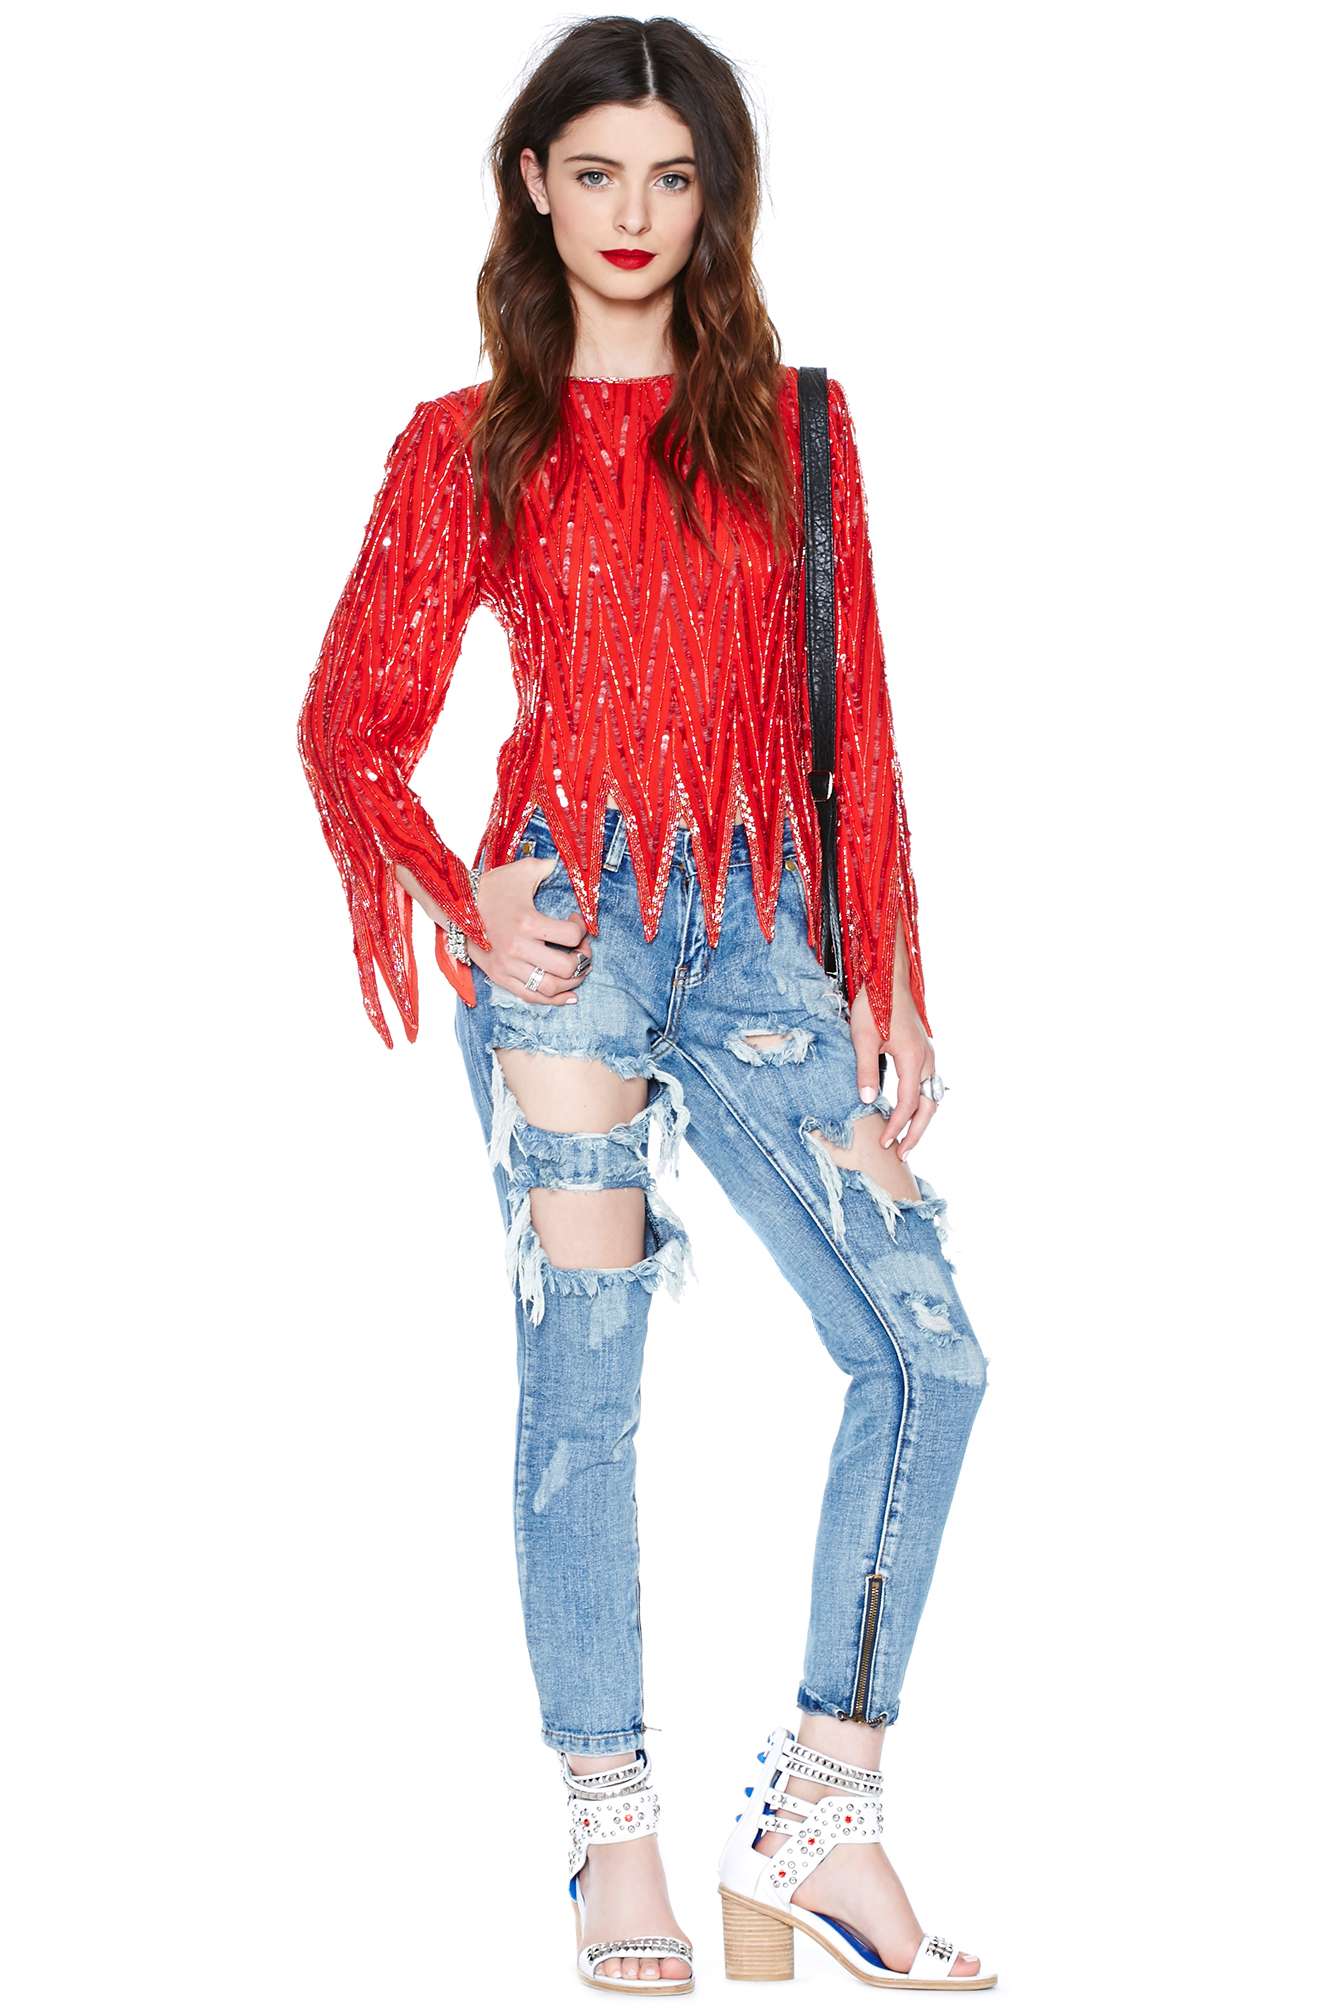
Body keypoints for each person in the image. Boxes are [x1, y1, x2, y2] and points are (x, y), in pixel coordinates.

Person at [296, 16, 994, 1996]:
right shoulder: (469, 440)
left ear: (714, 200)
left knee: (927, 1352)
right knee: (585, 1382)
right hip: (571, 941)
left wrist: (887, 973)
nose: (632, 213)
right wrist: (462, 891)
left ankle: (822, 1808)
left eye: (671, 178)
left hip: (764, 933)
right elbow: (349, 722)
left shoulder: (798, 425)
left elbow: (857, 717)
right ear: (534, 185)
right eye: (595, 171)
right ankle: (613, 1835)